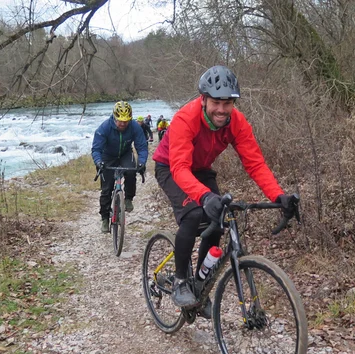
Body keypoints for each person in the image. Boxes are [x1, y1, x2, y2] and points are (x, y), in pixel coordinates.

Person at [152, 65, 295, 319]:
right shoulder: (186, 119)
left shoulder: (237, 123)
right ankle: (181, 281)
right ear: (204, 99)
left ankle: (199, 285)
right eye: (216, 102)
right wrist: (204, 196)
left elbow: (255, 163)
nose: (221, 109)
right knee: (194, 214)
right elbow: (180, 168)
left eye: (227, 103)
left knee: (218, 220)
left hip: (201, 169)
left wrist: (278, 196)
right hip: (171, 167)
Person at [92, 101, 148, 233]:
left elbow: (141, 146)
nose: (123, 124)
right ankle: (105, 218)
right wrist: (99, 162)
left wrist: (142, 162)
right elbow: (96, 149)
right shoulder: (104, 127)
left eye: (126, 121)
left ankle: (128, 198)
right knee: (106, 189)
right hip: (107, 156)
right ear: (114, 117)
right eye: (120, 121)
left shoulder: (134, 127)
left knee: (130, 172)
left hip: (125, 154)